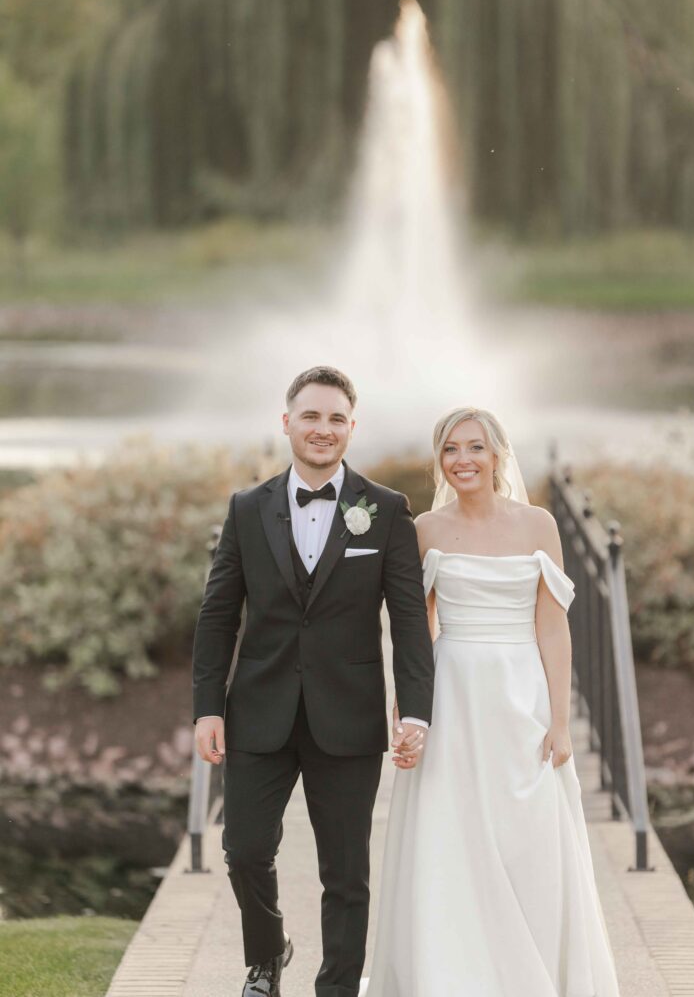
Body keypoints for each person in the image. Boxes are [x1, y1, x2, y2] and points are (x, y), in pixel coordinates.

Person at [192, 366, 434, 997]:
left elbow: (410, 621)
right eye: (311, 416)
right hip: (258, 710)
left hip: (349, 716)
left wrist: (415, 711)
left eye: (335, 418)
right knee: (245, 850)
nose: (323, 429)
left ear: (352, 427)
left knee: (347, 874)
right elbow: (218, 615)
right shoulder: (248, 508)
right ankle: (267, 954)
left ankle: (338, 989)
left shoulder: (386, 511)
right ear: (287, 423)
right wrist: (206, 707)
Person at [361, 406, 620, 997]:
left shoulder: (538, 525)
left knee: (527, 837)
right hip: (452, 692)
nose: (463, 460)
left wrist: (560, 722)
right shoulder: (426, 529)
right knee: (450, 833)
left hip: (521, 693)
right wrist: (407, 709)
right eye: (450, 449)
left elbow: (553, 626)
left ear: (498, 454)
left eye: (475, 447)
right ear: (439, 461)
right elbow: (418, 628)